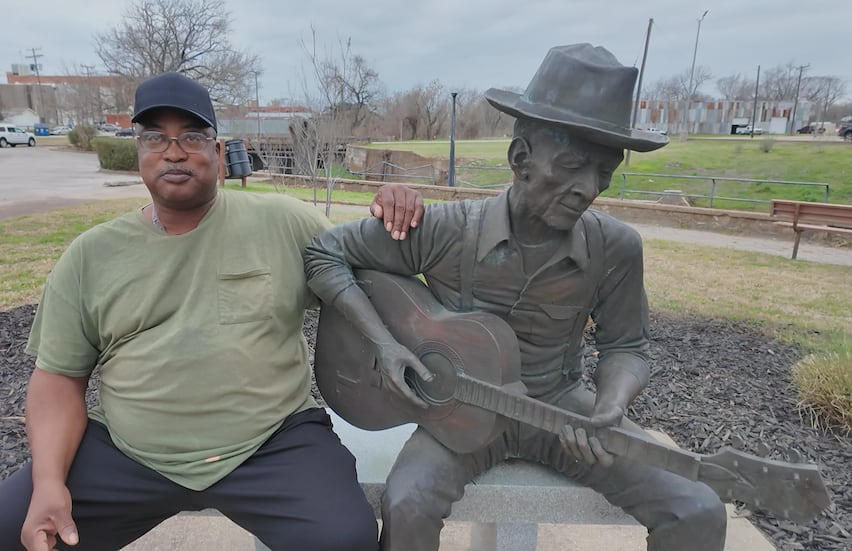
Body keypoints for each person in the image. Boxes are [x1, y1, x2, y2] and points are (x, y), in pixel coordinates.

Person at [0, 71, 425, 551]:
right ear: (139, 153)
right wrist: (48, 483)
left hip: (271, 441)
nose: (174, 151)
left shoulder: (283, 221)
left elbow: (369, 275)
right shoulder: (92, 255)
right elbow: (58, 380)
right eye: (155, 138)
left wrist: (392, 211)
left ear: (219, 154)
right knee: (1, 530)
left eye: (191, 136)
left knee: (343, 540)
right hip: (129, 451)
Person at [304, 44, 727, 551]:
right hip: (457, 412)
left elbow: (628, 347)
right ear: (520, 157)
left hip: (562, 409)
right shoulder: (446, 230)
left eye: (604, 171)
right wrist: (386, 344)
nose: (589, 187)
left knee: (698, 508)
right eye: (572, 165)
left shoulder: (615, 247)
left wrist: (610, 407)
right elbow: (324, 253)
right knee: (407, 501)